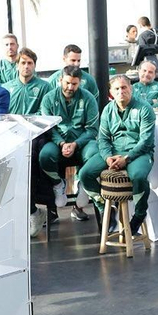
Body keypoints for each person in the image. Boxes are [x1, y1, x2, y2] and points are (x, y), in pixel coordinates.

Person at [80, 75, 156, 233]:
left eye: (124, 87)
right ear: (111, 92)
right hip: (113, 152)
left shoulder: (144, 108)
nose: (121, 91)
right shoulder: (108, 109)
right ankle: (104, 206)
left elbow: (146, 141)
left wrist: (127, 159)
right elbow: (103, 139)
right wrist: (108, 157)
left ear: (131, 89)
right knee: (85, 173)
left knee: (138, 176)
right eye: (117, 88)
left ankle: (140, 213)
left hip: (138, 152)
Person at [38, 68, 99, 222]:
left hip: (82, 142)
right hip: (57, 142)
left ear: (79, 83)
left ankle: (84, 183)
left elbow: (92, 129)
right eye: (67, 83)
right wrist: (62, 143)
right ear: (60, 80)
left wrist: (75, 144)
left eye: (74, 84)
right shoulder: (48, 98)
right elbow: (49, 127)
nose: (70, 87)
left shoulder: (88, 98)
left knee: (94, 153)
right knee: (44, 156)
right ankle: (58, 184)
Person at [5, 49, 53, 114]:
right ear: (17, 65)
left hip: (34, 124)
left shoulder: (45, 87)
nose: (26, 66)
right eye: (23, 63)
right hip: (12, 123)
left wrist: (27, 119)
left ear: (35, 65)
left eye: (29, 63)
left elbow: (46, 110)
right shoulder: (6, 87)